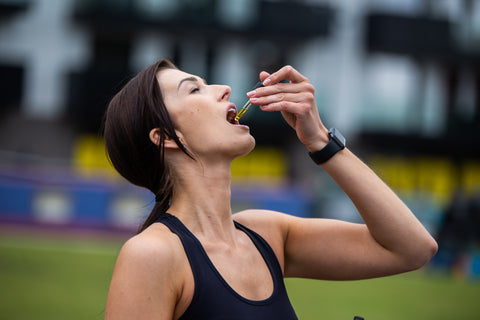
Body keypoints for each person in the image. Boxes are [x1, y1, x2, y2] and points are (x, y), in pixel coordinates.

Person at [103, 59, 438, 319]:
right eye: (195, 90)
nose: (223, 88)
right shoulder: (152, 255)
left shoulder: (267, 234)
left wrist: (321, 140)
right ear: (164, 137)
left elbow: (411, 248)